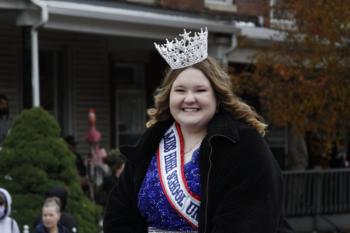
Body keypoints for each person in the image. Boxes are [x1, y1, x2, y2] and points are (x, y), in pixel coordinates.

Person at [103, 28, 294, 233]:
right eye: (180, 90)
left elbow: (250, 218)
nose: (189, 99)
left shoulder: (243, 144)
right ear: (169, 96)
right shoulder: (151, 141)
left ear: (217, 97)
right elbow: (119, 214)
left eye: (200, 90)